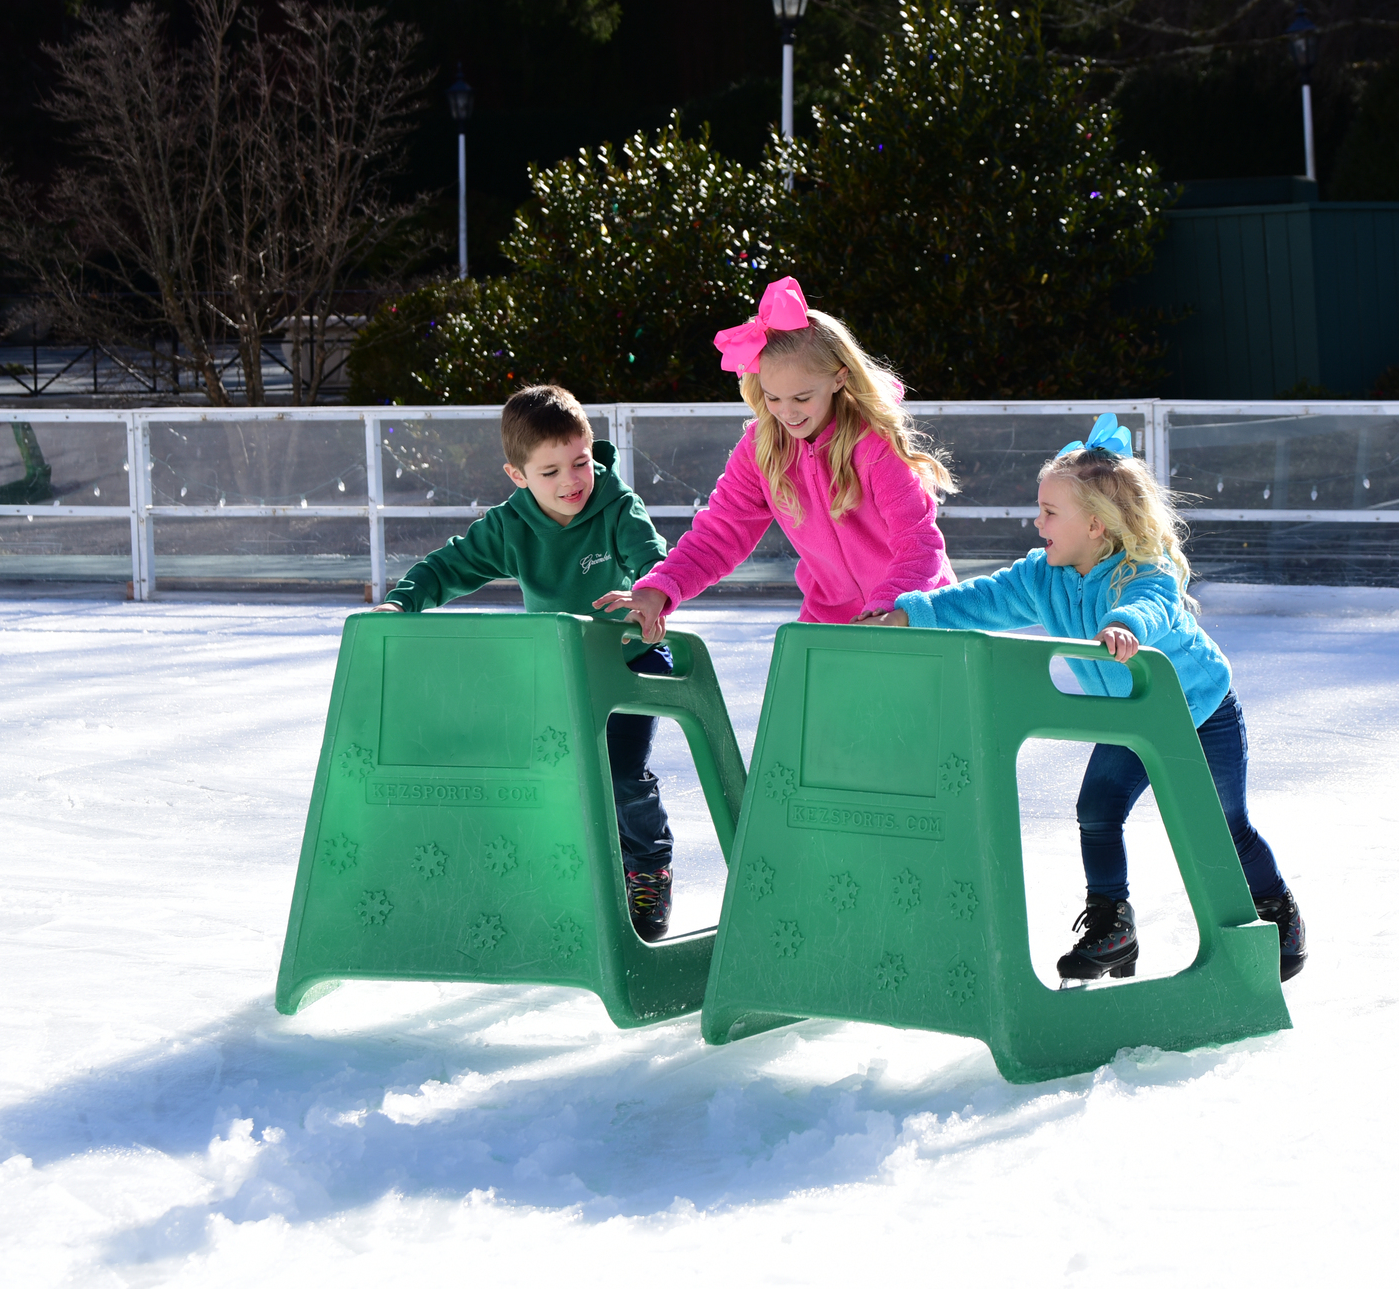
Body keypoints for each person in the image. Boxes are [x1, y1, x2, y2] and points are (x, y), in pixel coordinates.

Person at [864, 412, 1306, 984]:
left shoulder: (1143, 571)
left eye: (1050, 512)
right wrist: (910, 614)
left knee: (1222, 821)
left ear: (1096, 526)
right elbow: (981, 599)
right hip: (1129, 720)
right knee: (1096, 811)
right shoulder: (1041, 576)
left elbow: (1153, 605)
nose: (1037, 521)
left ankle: (1276, 907)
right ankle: (1111, 929)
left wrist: (1123, 625)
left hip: (1200, 713)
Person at [373, 384, 680, 942]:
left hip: (629, 659)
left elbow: (650, 558)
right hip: (558, 668)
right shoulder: (511, 525)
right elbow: (446, 565)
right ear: (517, 475)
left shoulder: (616, 505)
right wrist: (400, 601)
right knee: (547, 775)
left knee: (620, 774)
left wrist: (647, 593)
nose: (571, 481)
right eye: (550, 472)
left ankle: (648, 870)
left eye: (581, 462)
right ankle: (562, 871)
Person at [593, 276, 957, 641]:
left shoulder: (874, 446)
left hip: (911, 617)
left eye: (801, 397)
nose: (787, 413)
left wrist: (886, 612)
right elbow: (720, 533)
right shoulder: (762, 448)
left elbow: (918, 544)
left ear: (839, 379)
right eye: (773, 397)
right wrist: (660, 586)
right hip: (828, 624)